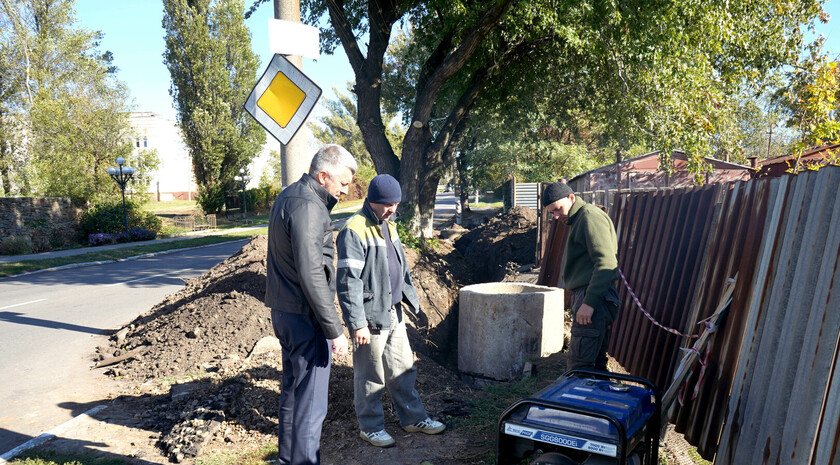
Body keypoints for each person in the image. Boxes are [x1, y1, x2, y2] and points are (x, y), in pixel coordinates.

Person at [336, 174, 446, 448]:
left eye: (396, 203)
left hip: (393, 311)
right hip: (371, 315)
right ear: (373, 201)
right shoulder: (354, 229)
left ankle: (413, 419)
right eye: (388, 204)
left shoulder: (390, 225)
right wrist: (357, 323)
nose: (393, 209)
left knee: (403, 369)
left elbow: (400, 267)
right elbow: (348, 281)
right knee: (371, 375)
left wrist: (410, 300)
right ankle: (370, 427)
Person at [264, 144, 356, 465]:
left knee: (293, 393)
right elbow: (311, 271)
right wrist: (334, 329)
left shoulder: (290, 196)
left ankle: (287, 460)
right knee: (312, 404)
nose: (345, 190)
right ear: (323, 175)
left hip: (287, 313)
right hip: (307, 319)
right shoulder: (308, 207)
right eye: (342, 183)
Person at [542, 181, 619, 372]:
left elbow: (606, 263)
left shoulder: (589, 217)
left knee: (579, 368)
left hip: (594, 298)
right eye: (552, 213)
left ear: (571, 198)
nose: (556, 216)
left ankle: (580, 401)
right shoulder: (579, 219)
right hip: (592, 296)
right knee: (594, 366)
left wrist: (589, 303)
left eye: (558, 209)